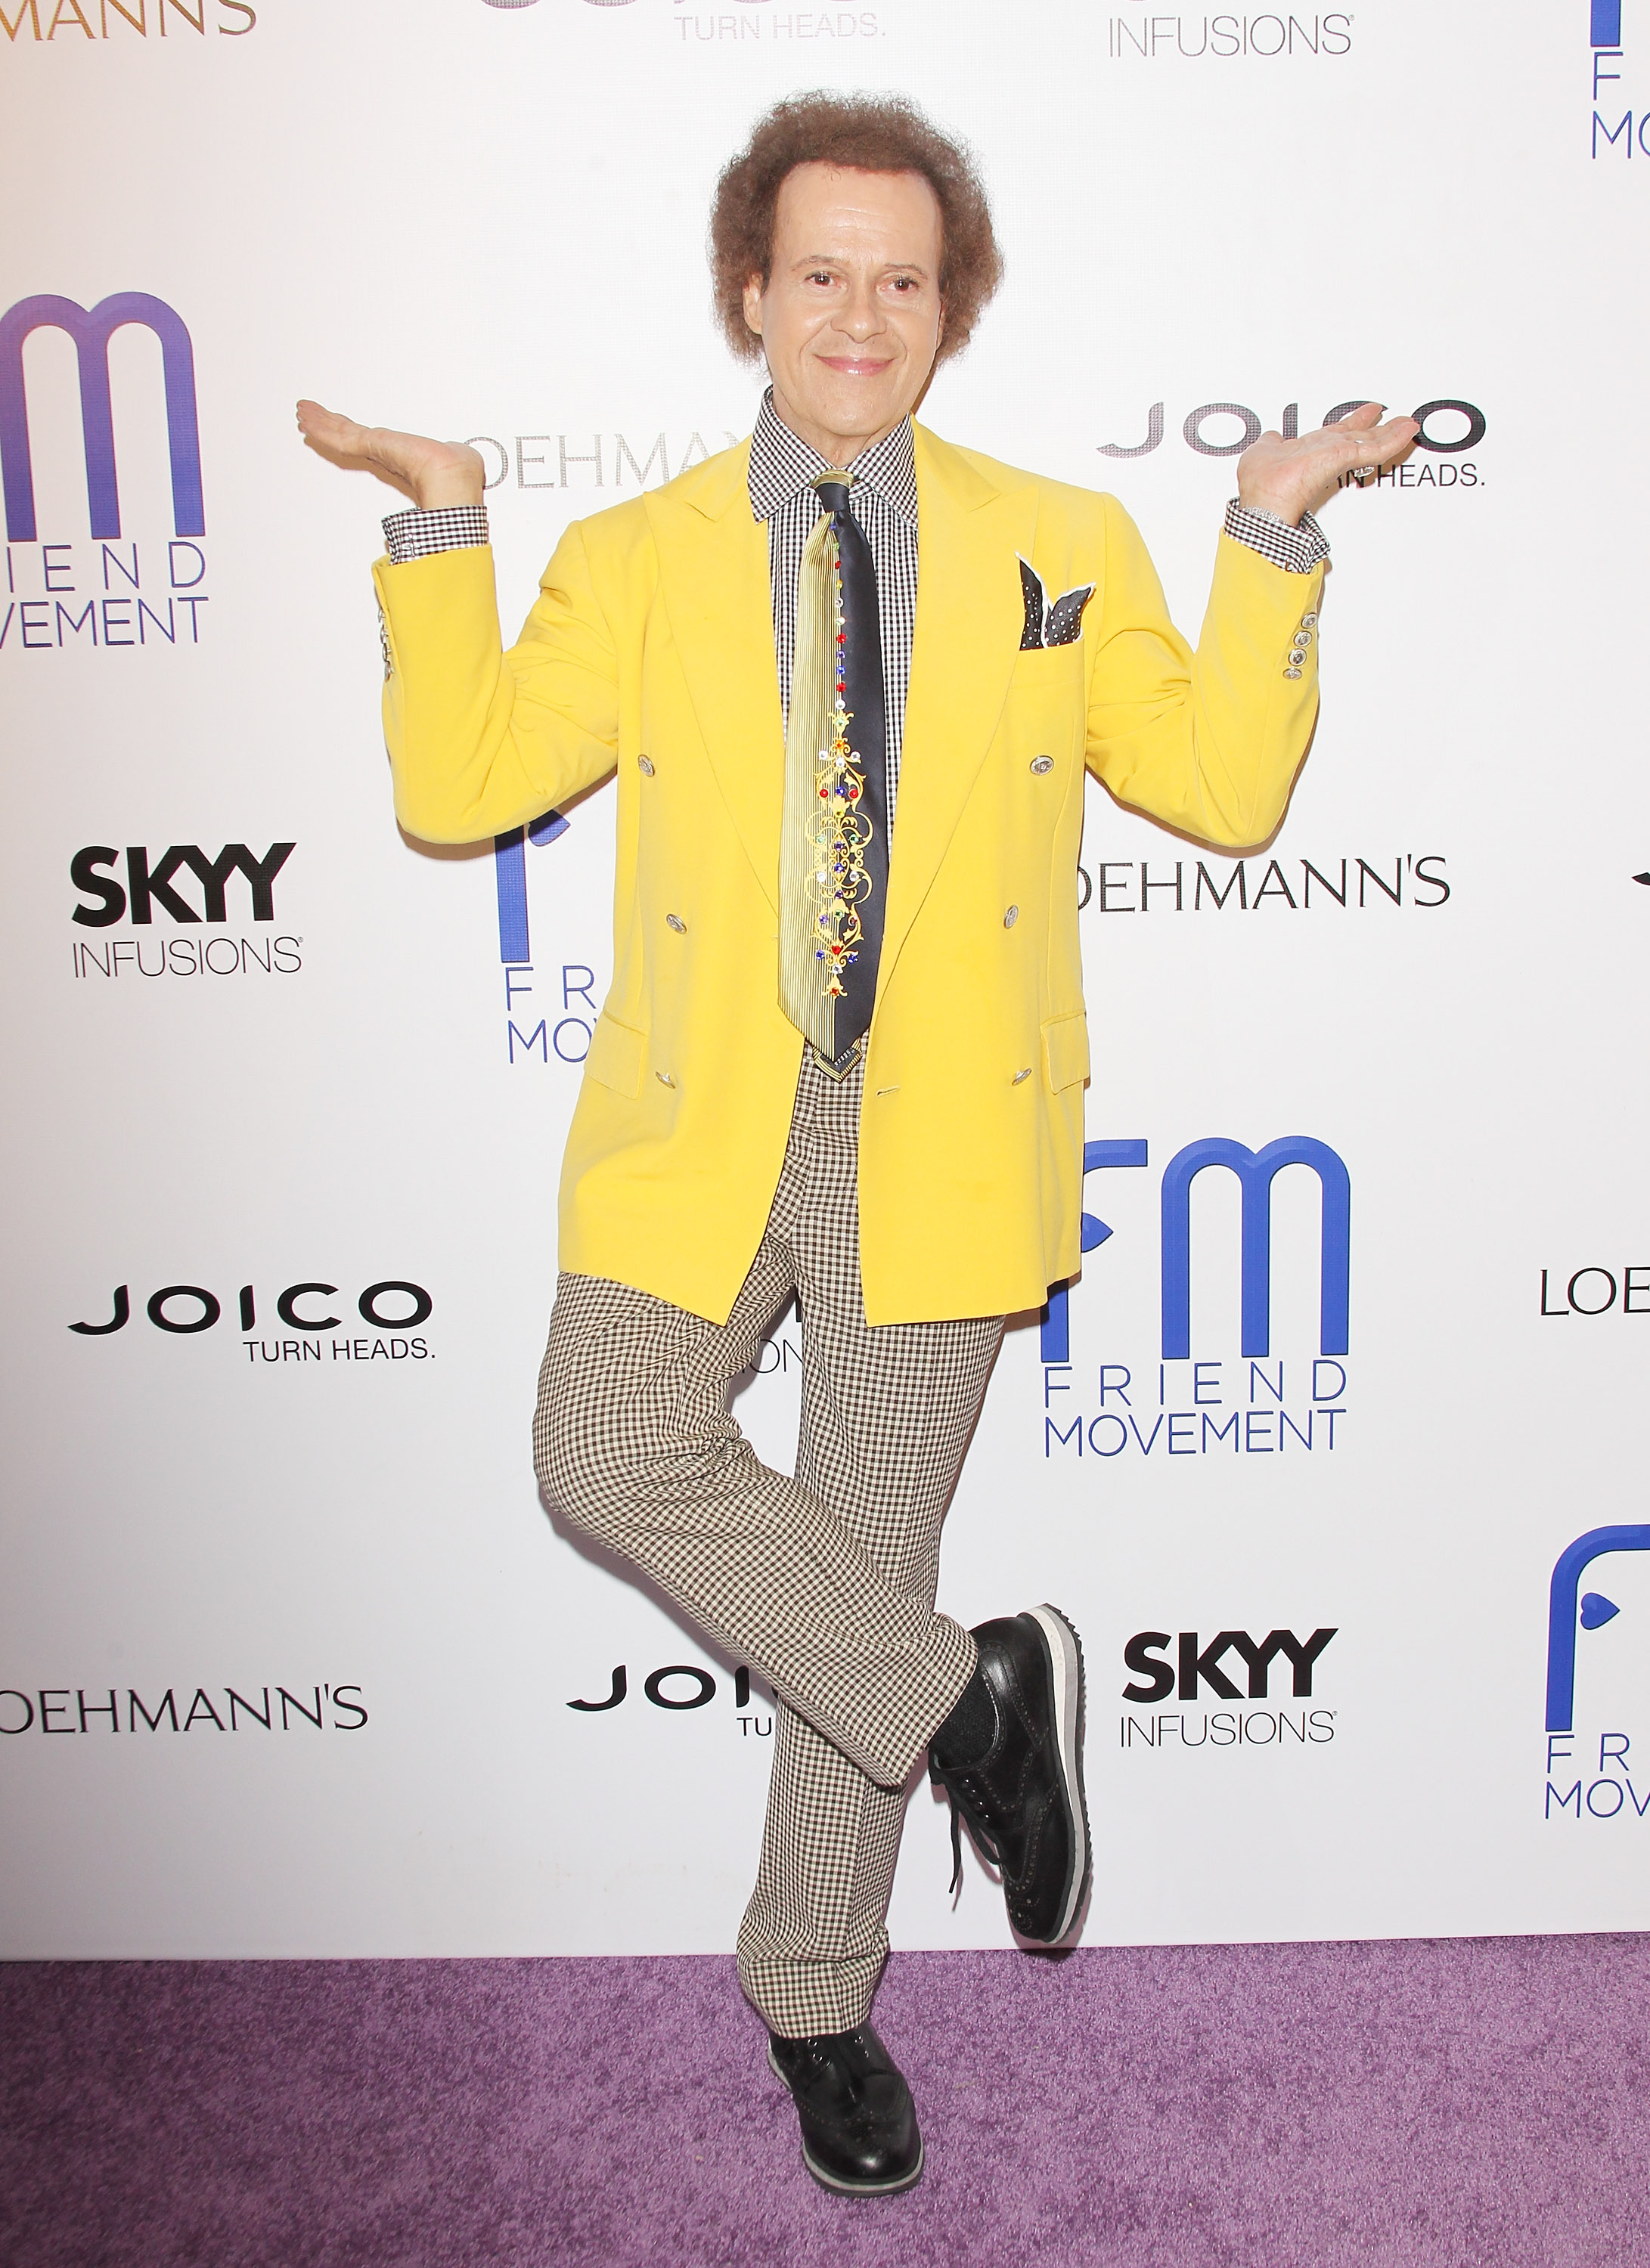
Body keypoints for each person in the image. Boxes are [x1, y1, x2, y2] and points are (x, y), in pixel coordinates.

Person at [297, 90, 1415, 2198]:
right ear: (753, 290)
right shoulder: (631, 561)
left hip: (949, 1123)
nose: (861, 310)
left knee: (853, 1574)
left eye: (902, 277)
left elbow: (1223, 789)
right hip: (705, 1115)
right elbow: (458, 788)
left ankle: (816, 1999)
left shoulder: (1059, 548)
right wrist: (442, 522)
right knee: (607, 1447)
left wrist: (1269, 541)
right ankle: (975, 1701)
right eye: (822, 271)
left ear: (947, 307)